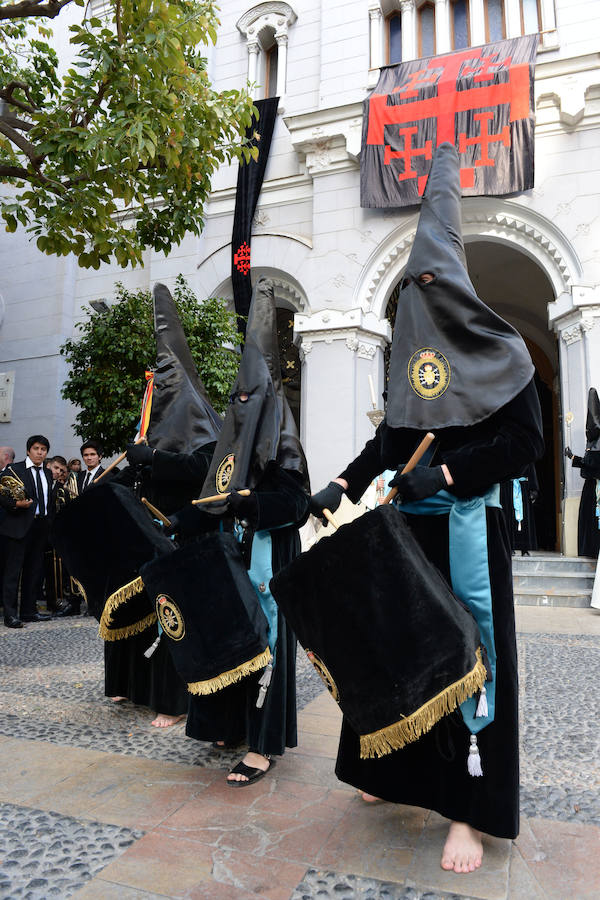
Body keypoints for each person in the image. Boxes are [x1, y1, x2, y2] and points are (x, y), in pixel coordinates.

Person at [310, 144, 543, 873]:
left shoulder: (505, 357)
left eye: (430, 281)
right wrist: (341, 487)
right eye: (412, 284)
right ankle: (390, 774)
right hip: (409, 537)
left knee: (468, 662)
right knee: (398, 656)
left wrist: (442, 474)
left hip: (471, 532)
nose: (419, 292)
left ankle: (467, 813)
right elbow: (388, 443)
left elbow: (523, 443)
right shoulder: (412, 370)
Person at [172, 278, 310, 785]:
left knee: (265, 646)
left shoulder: (285, 441)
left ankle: (262, 744)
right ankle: (228, 725)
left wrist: (250, 503)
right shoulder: (232, 438)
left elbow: (293, 504)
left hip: (268, 562)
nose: (243, 402)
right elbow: (212, 498)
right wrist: (181, 520)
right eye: (239, 396)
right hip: (231, 562)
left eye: (252, 396)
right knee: (228, 641)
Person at [105, 282, 223, 727]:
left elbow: (204, 467)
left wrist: (155, 458)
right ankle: (138, 685)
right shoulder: (152, 421)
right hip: (152, 533)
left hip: (190, 531)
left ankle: (175, 702)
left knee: (178, 616)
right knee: (145, 609)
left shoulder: (206, 423)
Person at [0, 435, 56, 627]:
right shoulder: (14, 470)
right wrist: (17, 503)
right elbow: (2, 494)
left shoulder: (48, 473)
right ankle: (10, 614)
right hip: (18, 527)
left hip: (40, 527)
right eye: (36, 449)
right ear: (28, 451)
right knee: (13, 573)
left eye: (43, 449)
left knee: (34, 572)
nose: (40, 452)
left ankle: (29, 612)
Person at [565, 387, 600, 559]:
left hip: (596, 489)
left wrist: (578, 459)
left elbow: (593, 465)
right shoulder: (591, 443)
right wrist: (572, 457)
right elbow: (588, 463)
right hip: (590, 487)